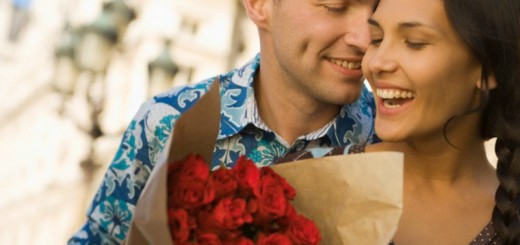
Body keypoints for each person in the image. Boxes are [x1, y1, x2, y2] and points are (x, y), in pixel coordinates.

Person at [68, 0, 380, 243]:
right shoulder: (166, 123)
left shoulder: (394, 144)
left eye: (376, 8)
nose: (365, 38)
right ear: (260, 5)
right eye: (336, 6)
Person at [280, 0, 520, 243]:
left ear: (488, 69)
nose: (376, 63)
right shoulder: (297, 186)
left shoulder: (512, 212)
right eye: (376, 39)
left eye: (414, 43)